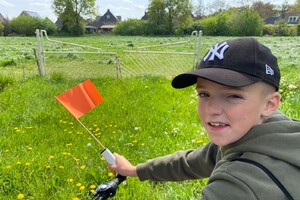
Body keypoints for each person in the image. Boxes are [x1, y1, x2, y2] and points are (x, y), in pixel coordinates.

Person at [107, 38, 300, 199]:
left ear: (269, 104)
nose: (212, 109)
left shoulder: (234, 186)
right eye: (204, 94)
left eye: (233, 96)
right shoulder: (266, 131)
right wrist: (134, 170)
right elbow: (192, 162)